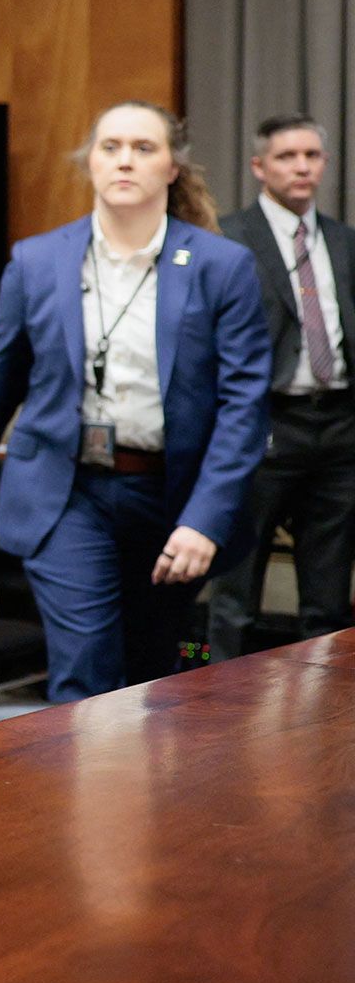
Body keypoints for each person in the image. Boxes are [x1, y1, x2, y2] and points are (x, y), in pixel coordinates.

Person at [0, 102, 269, 700]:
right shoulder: (36, 262)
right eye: (110, 146)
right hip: (66, 493)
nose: (125, 160)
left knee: (152, 672)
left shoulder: (222, 266)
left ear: (172, 168)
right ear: (89, 161)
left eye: (144, 148)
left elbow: (243, 404)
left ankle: (146, 794)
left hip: (171, 498)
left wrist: (204, 521)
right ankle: (84, 796)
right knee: (86, 669)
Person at [206, 115, 355, 657]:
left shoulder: (342, 240)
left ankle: (331, 723)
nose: (302, 166)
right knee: (235, 597)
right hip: (261, 428)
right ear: (259, 166)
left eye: (312, 155)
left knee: (329, 601)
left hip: (338, 428)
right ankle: (220, 723)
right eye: (288, 156)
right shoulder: (226, 238)